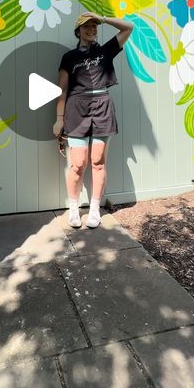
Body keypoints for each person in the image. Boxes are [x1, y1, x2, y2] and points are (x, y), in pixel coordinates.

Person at [53, 12, 133, 229]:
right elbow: (62, 90)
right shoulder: (68, 57)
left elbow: (128, 27)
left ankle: (95, 209)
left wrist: (104, 18)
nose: (91, 30)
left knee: (98, 161)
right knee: (78, 164)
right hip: (76, 109)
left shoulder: (106, 50)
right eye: (86, 27)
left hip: (102, 105)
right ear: (78, 31)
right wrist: (59, 119)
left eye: (94, 27)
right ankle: (73, 208)